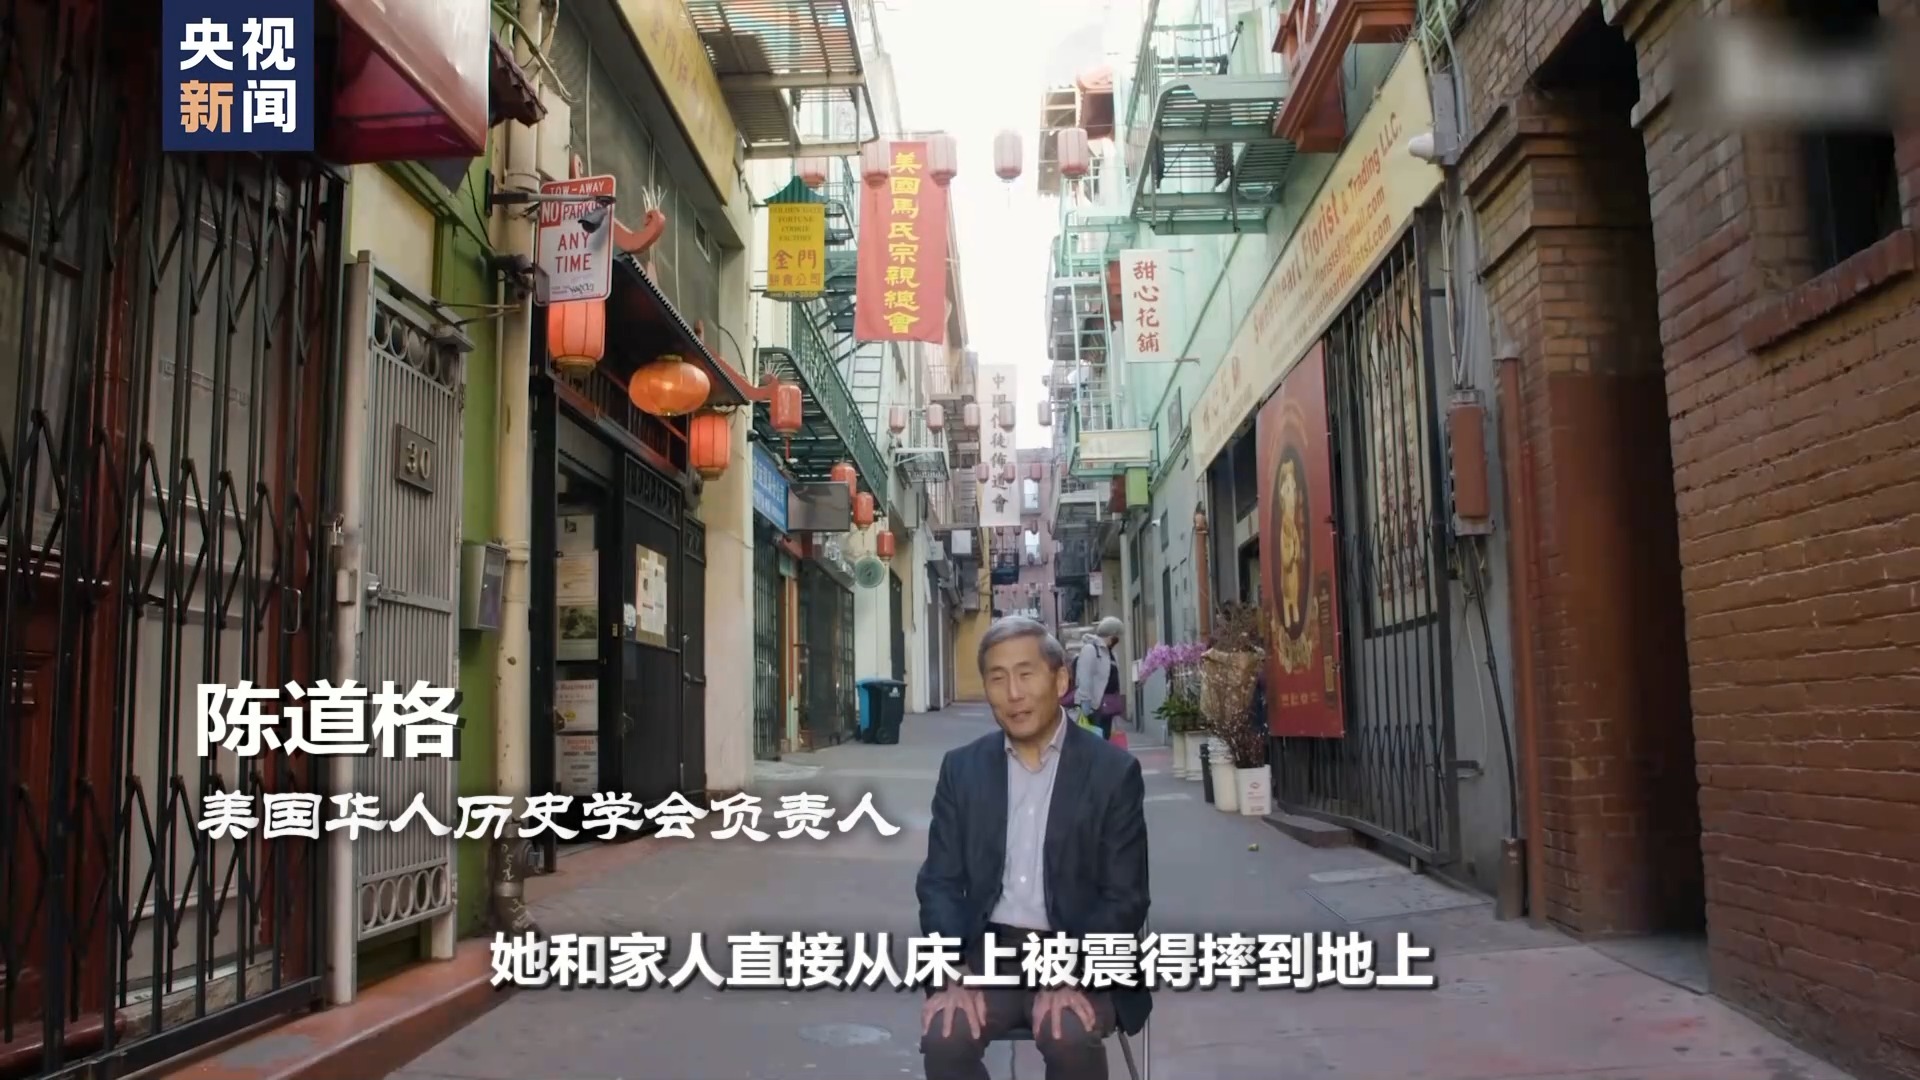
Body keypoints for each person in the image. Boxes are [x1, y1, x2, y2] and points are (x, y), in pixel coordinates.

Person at [917, 616, 1151, 1080]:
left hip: (1082, 951)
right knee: (945, 1035)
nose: (1013, 693)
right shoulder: (962, 770)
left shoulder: (1112, 773)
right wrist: (951, 969)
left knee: (1067, 1033)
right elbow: (939, 883)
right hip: (989, 955)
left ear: (1060, 680)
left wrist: (1071, 973)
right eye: (997, 678)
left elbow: (1125, 897)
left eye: (1026, 674)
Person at [1073, 617, 1126, 741]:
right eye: (1117, 635)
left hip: (1108, 706)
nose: (1118, 639)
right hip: (1094, 706)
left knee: (1105, 738)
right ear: (1112, 634)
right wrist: (1086, 703)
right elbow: (1084, 676)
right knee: (1094, 738)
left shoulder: (1111, 653)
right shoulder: (1091, 649)